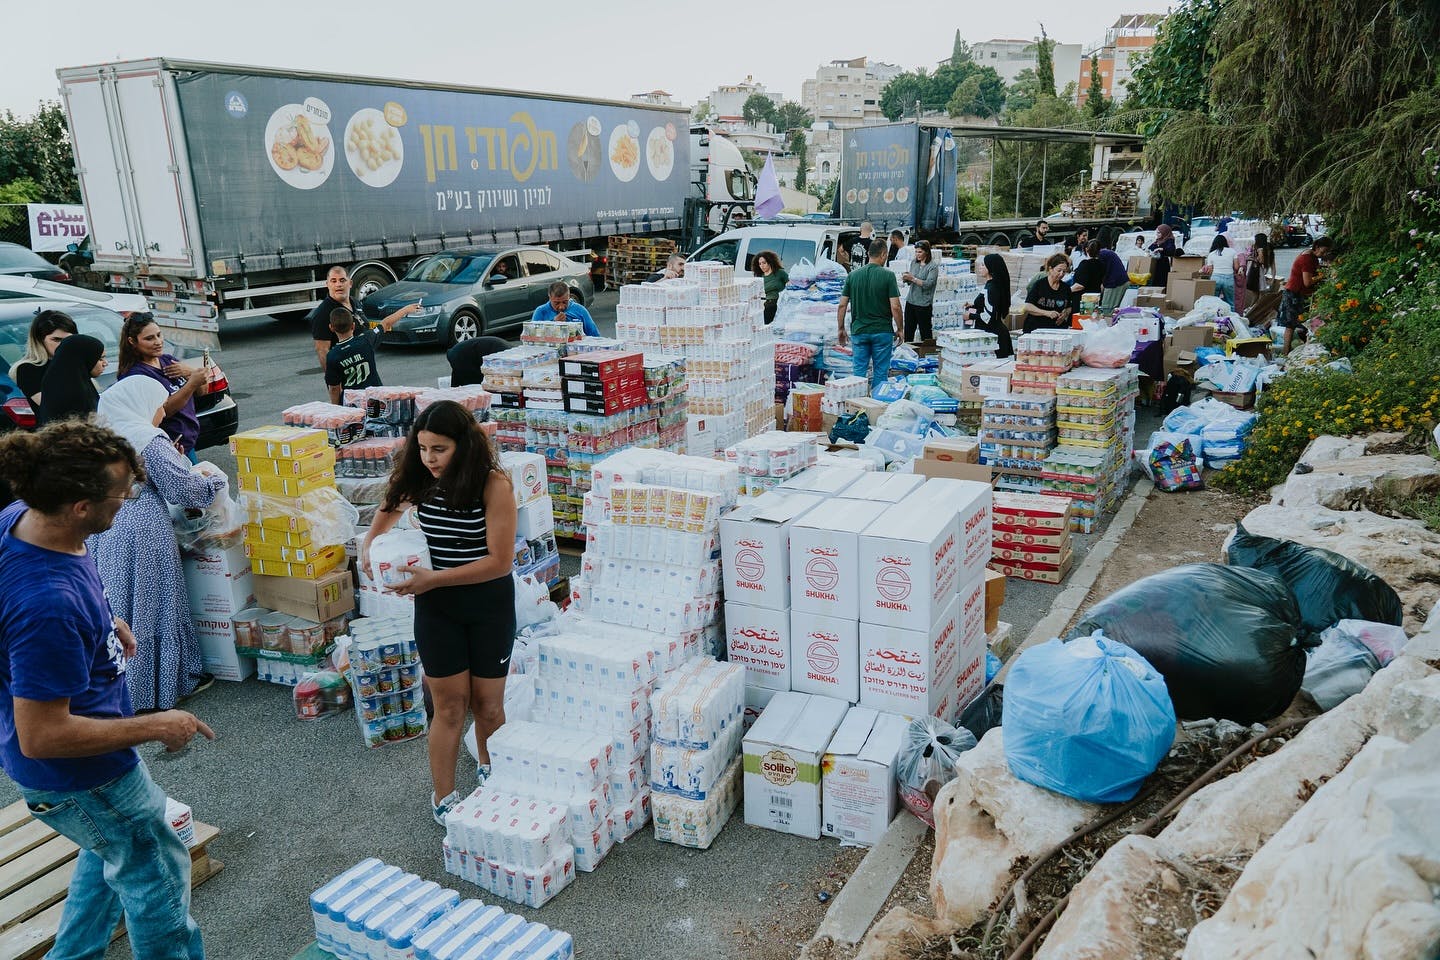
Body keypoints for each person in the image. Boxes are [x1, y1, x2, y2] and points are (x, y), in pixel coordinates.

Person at [0, 419, 214, 960]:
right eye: (121, 496)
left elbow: (60, 582)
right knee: (159, 889)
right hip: (88, 778)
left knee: (107, 859)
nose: (128, 501)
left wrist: (104, 616)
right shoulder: (47, 603)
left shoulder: (20, 521)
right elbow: (43, 734)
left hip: (78, 784)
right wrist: (159, 723)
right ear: (79, 505)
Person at [361, 401, 518, 824]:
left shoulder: (494, 485)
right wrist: (368, 543)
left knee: (488, 707)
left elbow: (499, 562)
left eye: (440, 449)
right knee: (449, 708)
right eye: (424, 448)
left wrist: (434, 579)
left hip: (488, 606)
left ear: (464, 446)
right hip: (437, 610)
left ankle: (492, 772)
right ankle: (444, 797)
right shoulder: (419, 475)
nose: (429, 458)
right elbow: (391, 505)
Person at [90, 377, 225, 712]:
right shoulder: (147, 438)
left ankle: (120, 690)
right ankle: (160, 687)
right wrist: (213, 481)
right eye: (159, 405)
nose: (162, 414)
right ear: (140, 403)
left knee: (119, 606)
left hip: (104, 529)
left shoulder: (101, 437)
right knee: (155, 605)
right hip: (143, 531)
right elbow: (182, 491)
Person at [117, 316, 208, 463]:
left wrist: (190, 372)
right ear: (132, 341)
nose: (158, 342)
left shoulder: (167, 360)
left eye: (159, 335)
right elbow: (163, 411)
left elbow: (202, 391)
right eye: (149, 338)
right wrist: (191, 383)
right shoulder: (135, 375)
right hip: (167, 449)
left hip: (187, 443)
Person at [308, 265, 420, 373]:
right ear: (327, 284)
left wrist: (405, 310)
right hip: (347, 378)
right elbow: (322, 351)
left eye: (342, 280)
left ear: (350, 283)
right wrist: (334, 383)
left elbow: (381, 325)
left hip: (366, 371)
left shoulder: (355, 303)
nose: (338, 285)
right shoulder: (322, 313)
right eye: (334, 281)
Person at [836, 238, 903, 391]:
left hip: (860, 331)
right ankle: (876, 406)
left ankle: (857, 403)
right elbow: (896, 306)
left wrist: (841, 329)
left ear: (867, 253)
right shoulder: (888, 276)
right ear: (884, 254)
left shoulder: (853, 276)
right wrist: (900, 328)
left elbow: (842, 305)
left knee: (858, 372)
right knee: (880, 372)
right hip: (882, 331)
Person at [1276, 236, 1334, 354]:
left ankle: (1308, 348)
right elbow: (1307, 282)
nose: (1324, 254)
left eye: (1327, 252)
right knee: (1291, 324)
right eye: (1323, 251)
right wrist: (1323, 275)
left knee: (1311, 321)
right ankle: (1286, 353)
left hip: (1302, 294)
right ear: (1316, 247)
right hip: (1294, 294)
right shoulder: (1307, 259)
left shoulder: (1312, 256)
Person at [9, 309, 77, 407]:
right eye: (56, 339)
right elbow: (54, 407)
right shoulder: (28, 369)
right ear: (40, 340)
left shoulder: (77, 364)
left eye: (69, 340)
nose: (63, 345)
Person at [37, 334, 106, 426]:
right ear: (84, 359)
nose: (105, 363)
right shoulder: (73, 392)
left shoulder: (59, 381)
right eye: (100, 359)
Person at [324, 308, 383, 404]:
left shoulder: (332, 355)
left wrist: (336, 408)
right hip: (375, 397)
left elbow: (334, 388)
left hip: (353, 403)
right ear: (353, 326)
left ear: (331, 327)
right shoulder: (366, 340)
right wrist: (406, 310)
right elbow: (385, 323)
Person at [970, 253, 1014, 359]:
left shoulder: (992, 288)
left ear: (990, 268)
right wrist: (974, 305)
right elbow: (988, 305)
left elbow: (989, 316)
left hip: (994, 336)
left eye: (983, 265)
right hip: (992, 333)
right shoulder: (992, 285)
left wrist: (970, 316)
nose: (980, 268)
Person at [1022, 254, 1074, 333]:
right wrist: (1047, 313)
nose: (1061, 274)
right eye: (1059, 270)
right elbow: (1028, 307)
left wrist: (1064, 314)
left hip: (1057, 330)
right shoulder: (1039, 285)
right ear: (1050, 269)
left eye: (1064, 271)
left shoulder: (1066, 288)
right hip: (1036, 328)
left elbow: (1069, 307)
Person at [900, 240, 938, 343]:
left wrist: (913, 279)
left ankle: (928, 353)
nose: (917, 254)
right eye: (916, 252)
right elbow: (912, 279)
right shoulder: (914, 263)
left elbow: (928, 284)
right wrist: (906, 279)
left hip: (923, 304)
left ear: (926, 252)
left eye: (920, 252)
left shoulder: (932, 266)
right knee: (908, 331)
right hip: (911, 302)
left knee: (925, 332)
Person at [530, 281, 599, 336]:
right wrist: (553, 324)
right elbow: (532, 336)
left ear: (569, 297)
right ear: (550, 297)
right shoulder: (541, 311)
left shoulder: (580, 310)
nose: (561, 307)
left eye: (565, 302)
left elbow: (595, 336)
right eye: (556, 303)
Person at [447, 336, 514, 388]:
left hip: (460, 352)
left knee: (458, 382)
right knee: (473, 388)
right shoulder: (510, 359)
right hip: (463, 355)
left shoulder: (512, 353)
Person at [1239, 232, 1275, 313]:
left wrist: (1252, 258)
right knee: (1259, 294)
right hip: (1259, 273)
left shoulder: (1259, 249)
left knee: (1258, 294)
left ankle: (1252, 309)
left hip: (1256, 273)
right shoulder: (1264, 249)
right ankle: (1252, 309)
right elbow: (1267, 264)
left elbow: (1260, 261)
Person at [1070, 240, 1107, 314]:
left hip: (1082, 300)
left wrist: (1066, 291)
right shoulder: (1102, 265)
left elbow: (1080, 285)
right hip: (1095, 298)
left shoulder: (1085, 264)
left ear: (1086, 249)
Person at [753, 250, 788, 326]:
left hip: (780, 303)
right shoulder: (759, 277)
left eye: (764, 263)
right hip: (766, 304)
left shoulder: (779, 273)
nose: (762, 266)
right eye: (760, 264)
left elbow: (790, 284)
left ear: (770, 262)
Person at [1096, 240, 1131, 314]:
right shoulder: (1106, 253)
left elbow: (1102, 271)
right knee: (1114, 310)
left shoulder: (1101, 255)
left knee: (1107, 310)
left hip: (1115, 283)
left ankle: (1108, 324)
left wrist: (1102, 283)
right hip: (1122, 280)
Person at [1205, 235, 1238, 308]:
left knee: (1213, 301)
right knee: (1230, 302)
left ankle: (1215, 318)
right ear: (1225, 242)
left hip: (1215, 278)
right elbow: (1236, 267)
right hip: (1228, 277)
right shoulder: (1232, 251)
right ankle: (1230, 318)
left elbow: (1210, 270)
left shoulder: (1211, 254)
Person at [1147, 224, 1178, 290]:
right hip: (1155, 265)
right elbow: (1150, 248)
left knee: (1161, 283)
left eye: (1159, 232)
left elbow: (1171, 251)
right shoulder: (1157, 241)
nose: (1157, 234)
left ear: (1164, 232)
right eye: (1157, 232)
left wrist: (1161, 249)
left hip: (1163, 265)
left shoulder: (1169, 240)